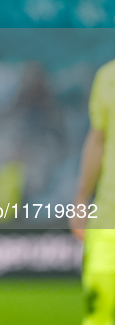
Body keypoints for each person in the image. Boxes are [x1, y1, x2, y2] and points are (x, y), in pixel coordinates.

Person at [70, 60, 115, 325]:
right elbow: (97, 139)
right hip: (107, 219)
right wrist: (81, 198)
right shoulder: (108, 75)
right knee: (98, 317)